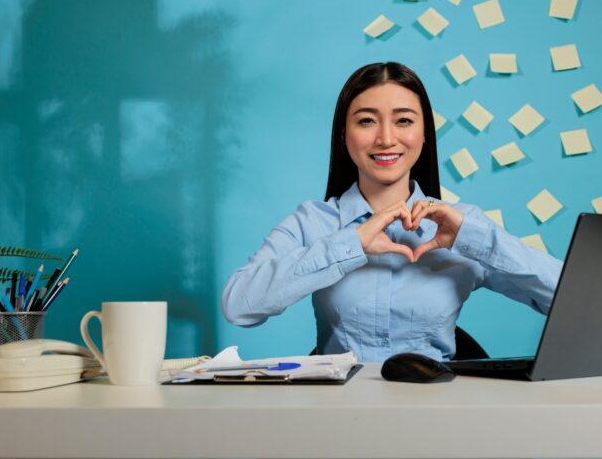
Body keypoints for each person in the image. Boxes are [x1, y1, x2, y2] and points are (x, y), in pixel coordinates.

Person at [221, 62, 563, 363]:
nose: (386, 138)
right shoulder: (312, 222)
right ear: (344, 135)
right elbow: (238, 305)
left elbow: (567, 301)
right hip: (338, 418)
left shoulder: (461, 225)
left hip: (436, 416)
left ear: (424, 133)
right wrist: (350, 244)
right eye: (367, 121)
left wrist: (475, 238)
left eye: (403, 120)